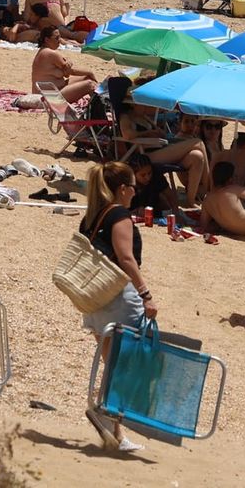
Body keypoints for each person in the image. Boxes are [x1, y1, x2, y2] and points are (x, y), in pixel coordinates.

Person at [80, 161, 154, 453]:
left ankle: (115, 431)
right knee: (124, 362)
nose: (136, 192)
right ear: (123, 189)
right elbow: (126, 259)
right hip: (118, 296)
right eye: (134, 186)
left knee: (112, 361)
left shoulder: (91, 215)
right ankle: (104, 412)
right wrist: (146, 294)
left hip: (94, 295)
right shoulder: (120, 215)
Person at [31, 26, 98, 100]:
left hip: (44, 92)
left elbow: (66, 73)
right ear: (47, 40)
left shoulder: (43, 51)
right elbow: (70, 72)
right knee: (89, 84)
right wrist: (90, 72)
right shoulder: (51, 53)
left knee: (86, 78)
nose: (59, 40)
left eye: (60, 37)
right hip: (49, 96)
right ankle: (100, 104)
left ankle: (97, 102)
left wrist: (67, 64)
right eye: (56, 38)